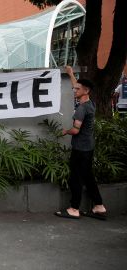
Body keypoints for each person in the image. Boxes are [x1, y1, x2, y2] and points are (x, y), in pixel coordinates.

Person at [55, 78, 107, 220]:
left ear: (86, 91)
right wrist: (71, 74)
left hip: (80, 149)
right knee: (88, 177)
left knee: (75, 179)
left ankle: (74, 209)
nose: (74, 90)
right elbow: (78, 87)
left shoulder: (82, 109)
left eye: (77, 89)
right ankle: (99, 206)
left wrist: (65, 131)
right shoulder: (91, 104)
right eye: (74, 88)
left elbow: (76, 130)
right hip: (88, 147)